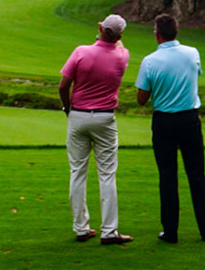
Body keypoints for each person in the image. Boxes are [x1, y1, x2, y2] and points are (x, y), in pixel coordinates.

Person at [136, 13, 205, 243]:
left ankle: (170, 232)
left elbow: (141, 99)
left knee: (167, 175)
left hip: (164, 121)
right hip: (189, 119)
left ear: (157, 35)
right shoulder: (192, 53)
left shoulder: (149, 61)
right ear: (176, 32)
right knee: (197, 175)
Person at [58, 14, 133, 245]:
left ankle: (81, 228)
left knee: (77, 172)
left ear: (100, 28)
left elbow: (63, 85)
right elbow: (117, 44)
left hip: (78, 115)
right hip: (105, 118)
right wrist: (112, 36)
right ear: (119, 35)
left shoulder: (81, 52)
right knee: (107, 175)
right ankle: (109, 231)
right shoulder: (123, 55)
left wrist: (68, 109)